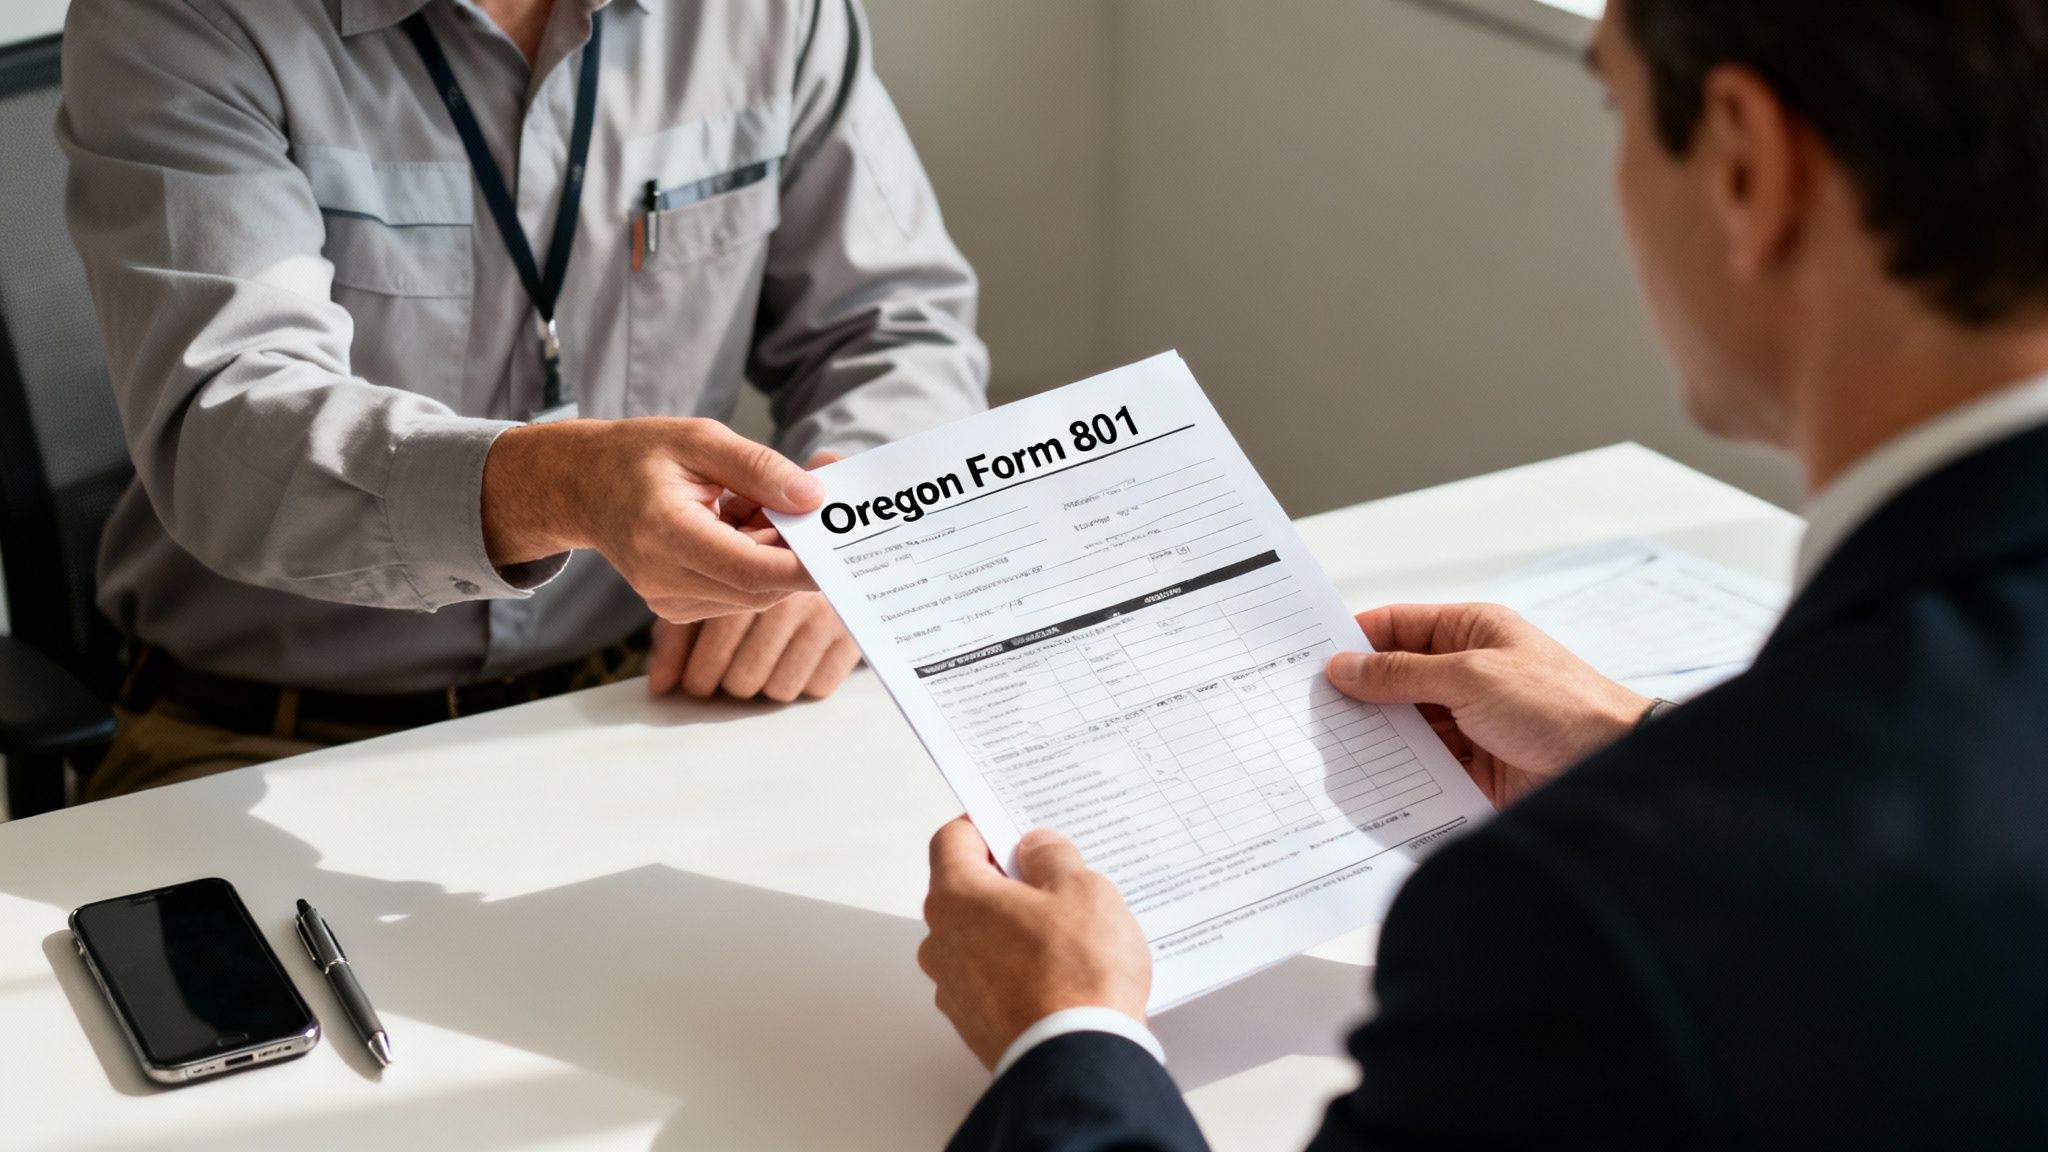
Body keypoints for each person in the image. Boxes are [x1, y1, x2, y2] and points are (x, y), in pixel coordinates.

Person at [918, 2, 2048, 1147]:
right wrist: (1638, 743)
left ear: (1748, 165)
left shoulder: (1585, 919)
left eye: (1612, 104)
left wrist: (1062, 1037)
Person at [57, 0, 987, 797]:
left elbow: (893, 325)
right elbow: (227, 427)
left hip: (654, 697)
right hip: (263, 739)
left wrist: (844, 537)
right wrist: (560, 485)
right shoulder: (183, 17)